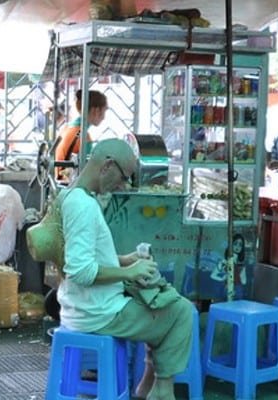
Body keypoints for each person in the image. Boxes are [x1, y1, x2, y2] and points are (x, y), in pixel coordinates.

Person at [58, 139, 193, 400]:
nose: (123, 185)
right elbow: (80, 271)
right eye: (124, 177)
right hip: (97, 313)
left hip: (82, 305)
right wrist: (128, 274)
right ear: (108, 166)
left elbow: (86, 255)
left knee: (162, 302)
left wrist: (125, 260)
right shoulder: (83, 206)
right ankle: (162, 389)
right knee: (181, 311)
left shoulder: (73, 196)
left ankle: (146, 387)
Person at [55, 90, 107, 179]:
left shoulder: (67, 128)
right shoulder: (83, 137)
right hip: (72, 185)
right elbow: (87, 171)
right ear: (96, 110)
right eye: (104, 110)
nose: (104, 117)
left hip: (61, 181)